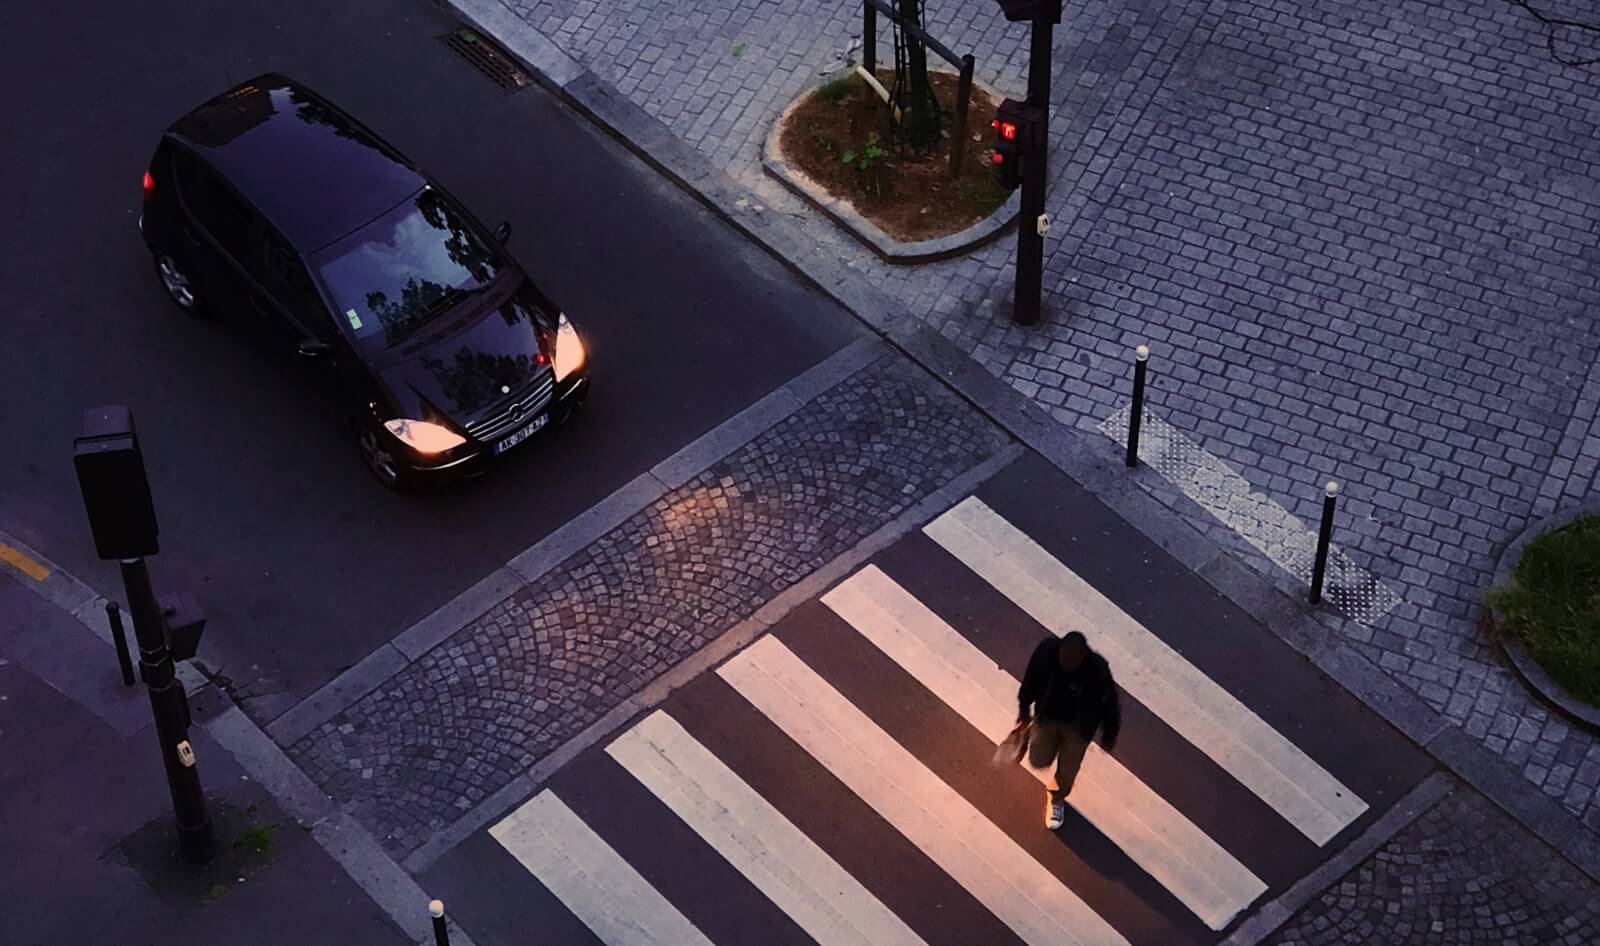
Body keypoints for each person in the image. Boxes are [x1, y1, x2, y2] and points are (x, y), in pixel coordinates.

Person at [1016, 630, 1122, 830]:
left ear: (1083, 655)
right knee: (1038, 760)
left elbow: (1110, 704)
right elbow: (1031, 679)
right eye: (1063, 659)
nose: (1066, 665)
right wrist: (1024, 708)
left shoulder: (1097, 669)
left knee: (1068, 770)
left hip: (1078, 727)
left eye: (1071, 661)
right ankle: (1048, 745)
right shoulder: (1046, 652)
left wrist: (1109, 734)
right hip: (1047, 717)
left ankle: (1056, 798)